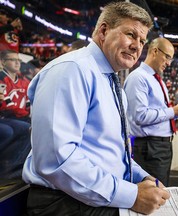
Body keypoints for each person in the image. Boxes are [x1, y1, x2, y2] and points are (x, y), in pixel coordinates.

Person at [22, 2, 170, 216]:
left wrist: (142, 177)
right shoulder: (72, 70)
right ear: (103, 30)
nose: (137, 46)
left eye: (142, 41)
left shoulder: (110, 80)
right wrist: (133, 195)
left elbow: (111, 153)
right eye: (130, 34)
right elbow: (57, 160)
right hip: (63, 203)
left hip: (90, 196)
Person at [124, 37, 178, 186]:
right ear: (154, 51)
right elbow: (140, 116)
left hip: (160, 147)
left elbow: (158, 113)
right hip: (150, 148)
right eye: (167, 57)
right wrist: (173, 111)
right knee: (154, 192)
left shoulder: (155, 79)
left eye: (171, 59)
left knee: (160, 190)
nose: (168, 63)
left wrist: (176, 113)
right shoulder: (138, 78)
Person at [0, 49, 30, 122]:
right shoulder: (1, 78)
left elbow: (29, 102)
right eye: (13, 60)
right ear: (3, 62)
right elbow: (5, 105)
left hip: (23, 117)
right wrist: (27, 116)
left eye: (19, 60)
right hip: (6, 117)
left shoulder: (25, 81)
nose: (17, 63)